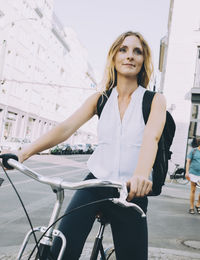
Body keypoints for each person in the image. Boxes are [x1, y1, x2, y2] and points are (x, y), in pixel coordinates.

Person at [0, 31, 166, 260]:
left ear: (143, 59)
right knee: (59, 248)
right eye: (123, 49)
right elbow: (66, 128)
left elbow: (152, 137)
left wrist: (140, 176)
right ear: (114, 57)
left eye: (137, 51)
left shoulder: (154, 100)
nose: (130, 56)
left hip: (131, 190)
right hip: (94, 185)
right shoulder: (100, 99)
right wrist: (22, 153)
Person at [185, 137, 200, 214]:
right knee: (193, 190)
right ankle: (191, 207)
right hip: (193, 173)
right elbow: (188, 162)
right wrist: (187, 172)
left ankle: (198, 204)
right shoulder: (194, 151)